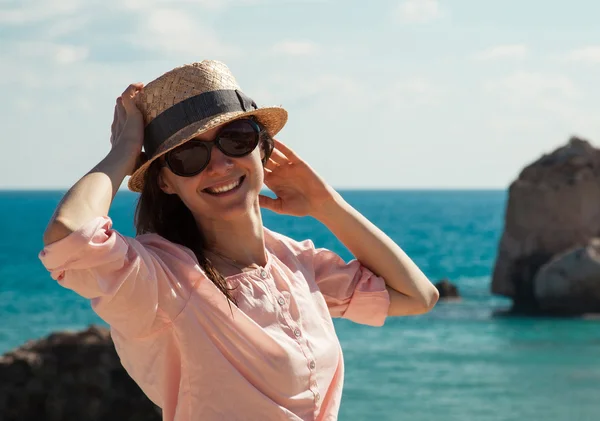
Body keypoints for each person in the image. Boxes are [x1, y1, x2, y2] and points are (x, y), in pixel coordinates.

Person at [39, 60, 439, 421]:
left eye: (236, 139)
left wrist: (325, 203)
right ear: (165, 181)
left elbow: (417, 296)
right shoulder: (162, 281)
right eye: (188, 157)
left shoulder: (296, 264)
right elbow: (70, 236)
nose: (219, 164)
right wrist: (125, 151)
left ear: (262, 149)